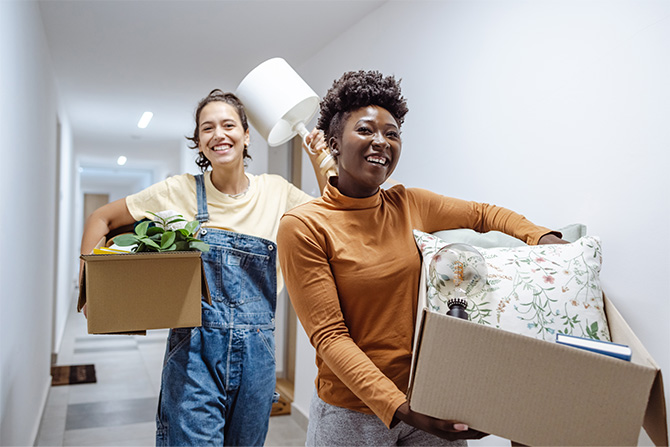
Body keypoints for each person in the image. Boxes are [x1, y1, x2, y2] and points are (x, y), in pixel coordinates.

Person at [276, 71, 566, 446]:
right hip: (354, 414)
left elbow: (482, 213)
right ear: (333, 142)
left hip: (431, 395)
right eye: (365, 130)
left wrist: (543, 237)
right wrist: (404, 409)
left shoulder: (407, 203)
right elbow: (330, 338)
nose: (381, 141)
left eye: (392, 133)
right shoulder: (304, 225)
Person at [79, 89, 329, 446]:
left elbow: (331, 221)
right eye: (207, 128)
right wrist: (90, 283)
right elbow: (101, 218)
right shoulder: (177, 191)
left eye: (228, 125)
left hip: (258, 356)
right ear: (198, 142)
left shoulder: (277, 192)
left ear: (246, 135)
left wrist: (320, 162)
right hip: (195, 351)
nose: (218, 134)